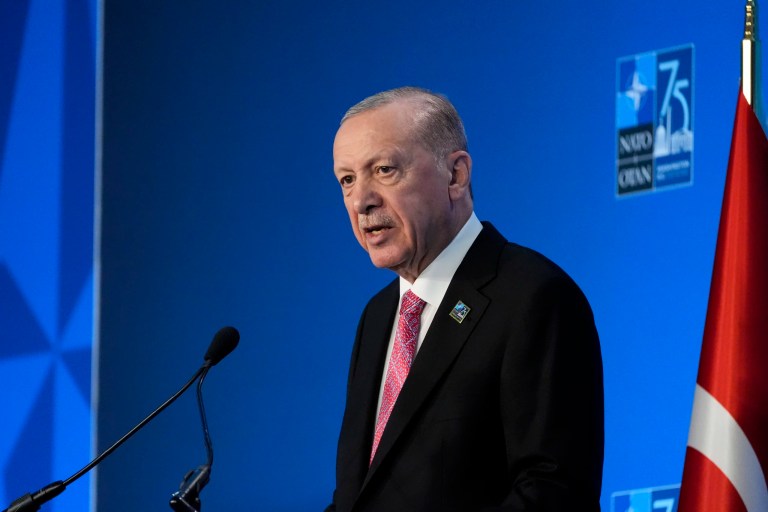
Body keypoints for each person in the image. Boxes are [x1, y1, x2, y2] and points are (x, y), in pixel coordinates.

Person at [326, 87, 603, 511]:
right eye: (347, 180)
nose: (361, 200)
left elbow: (550, 492)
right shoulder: (378, 318)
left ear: (455, 175)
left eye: (383, 170)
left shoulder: (533, 297)